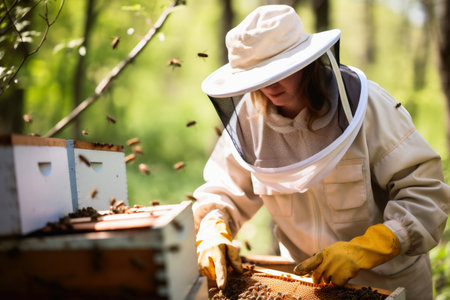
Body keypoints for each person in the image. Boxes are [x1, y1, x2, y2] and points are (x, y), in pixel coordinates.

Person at [192, 5, 450, 299]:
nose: (269, 85)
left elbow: (426, 194)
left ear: (306, 62)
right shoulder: (250, 123)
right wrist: (213, 226)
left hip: (390, 282)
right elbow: (222, 190)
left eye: (280, 69)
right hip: (308, 284)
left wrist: (369, 247)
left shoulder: (368, 107)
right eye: (257, 76)